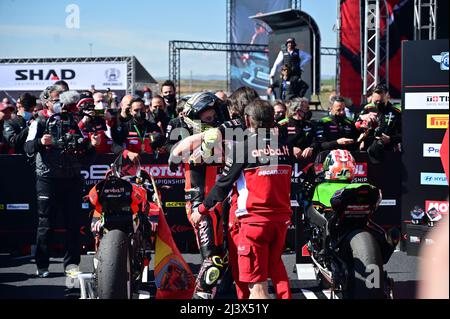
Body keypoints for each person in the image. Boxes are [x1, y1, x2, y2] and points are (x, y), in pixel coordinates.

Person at [191, 99, 293, 299]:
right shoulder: (286, 147)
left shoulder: (244, 148)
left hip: (254, 223)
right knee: (277, 271)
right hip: (280, 221)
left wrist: (201, 210)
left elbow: (223, 185)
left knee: (256, 285)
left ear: (247, 120)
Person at [24, 85, 99, 278]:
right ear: (47, 101)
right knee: (45, 224)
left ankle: (72, 265)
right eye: (56, 100)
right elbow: (27, 147)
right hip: (47, 178)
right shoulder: (39, 121)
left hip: (72, 178)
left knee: (73, 224)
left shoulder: (74, 120)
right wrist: (41, 142)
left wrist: (92, 145)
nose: (61, 103)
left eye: (62, 100)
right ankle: (42, 265)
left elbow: (86, 154)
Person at [169, 92, 227, 299]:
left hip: (227, 200)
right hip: (201, 202)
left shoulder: (228, 133)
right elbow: (174, 156)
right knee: (212, 259)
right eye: (208, 118)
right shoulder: (184, 137)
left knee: (227, 257)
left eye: (214, 116)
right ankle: (201, 298)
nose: (214, 120)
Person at [355, 84, 402, 163]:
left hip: (388, 151)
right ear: (372, 98)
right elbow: (356, 124)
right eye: (375, 101)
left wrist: (390, 139)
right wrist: (363, 119)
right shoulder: (368, 108)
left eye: (381, 101)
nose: (378, 104)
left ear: (388, 97)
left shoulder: (396, 111)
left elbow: (404, 134)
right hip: (368, 150)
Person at [111, 97, 165, 162]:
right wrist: (128, 153)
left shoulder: (153, 126)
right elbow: (115, 146)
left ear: (145, 109)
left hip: (151, 163)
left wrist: (161, 148)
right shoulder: (124, 127)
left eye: (141, 109)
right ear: (130, 111)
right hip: (131, 163)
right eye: (136, 110)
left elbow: (162, 145)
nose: (139, 113)